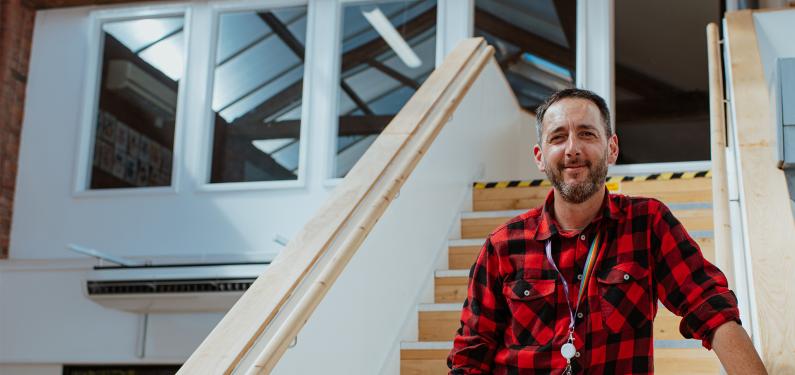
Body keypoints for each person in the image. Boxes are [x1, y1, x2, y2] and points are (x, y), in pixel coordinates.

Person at [447, 89, 767, 374]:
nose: (572, 149)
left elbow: (709, 307)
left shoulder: (648, 223)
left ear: (612, 148)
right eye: (558, 137)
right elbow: (472, 353)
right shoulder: (503, 245)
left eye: (587, 134)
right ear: (540, 157)